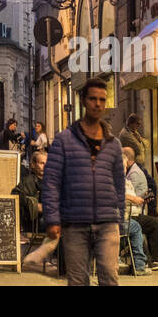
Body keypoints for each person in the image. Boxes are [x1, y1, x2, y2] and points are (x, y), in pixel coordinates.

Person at [41, 79, 126, 286]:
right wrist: (53, 219)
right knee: (78, 281)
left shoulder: (113, 144)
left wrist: (120, 218)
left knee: (109, 277)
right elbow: (51, 182)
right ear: (83, 101)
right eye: (93, 99)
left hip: (107, 222)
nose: (97, 104)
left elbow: (119, 184)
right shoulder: (64, 140)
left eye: (102, 100)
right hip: (74, 223)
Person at [121, 146, 152, 276]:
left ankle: (146, 261)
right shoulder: (116, 180)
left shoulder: (126, 179)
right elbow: (118, 194)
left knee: (147, 224)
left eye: (125, 167)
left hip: (126, 215)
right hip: (116, 220)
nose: (124, 169)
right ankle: (139, 265)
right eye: (123, 167)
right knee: (136, 227)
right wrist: (133, 198)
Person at [14, 150, 47, 236]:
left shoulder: (54, 181)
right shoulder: (27, 181)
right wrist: (34, 205)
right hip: (35, 223)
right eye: (42, 163)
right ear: (33, 164)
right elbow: (15, 195)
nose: (45, 166)